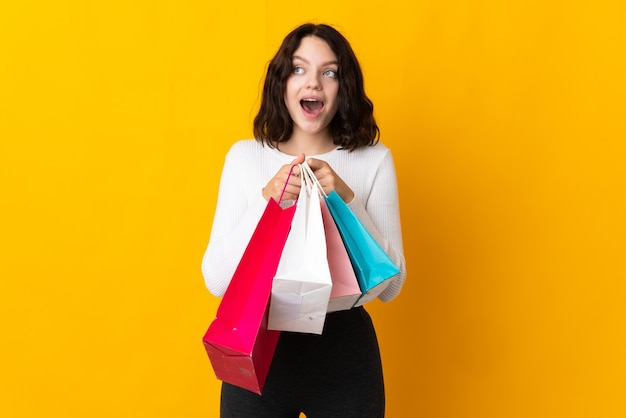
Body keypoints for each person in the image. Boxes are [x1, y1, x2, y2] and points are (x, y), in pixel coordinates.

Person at [202, 23, 406, 418]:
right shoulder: (245, 158)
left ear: (343, 87)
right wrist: (268, 201)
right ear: (281, 82)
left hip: (344, 351)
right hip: (259, 339)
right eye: (299, 69)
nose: (313, 82)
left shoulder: (372, 159)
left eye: (329, 72)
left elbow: (392, 286)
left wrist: (347, 199)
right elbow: (216, 280)